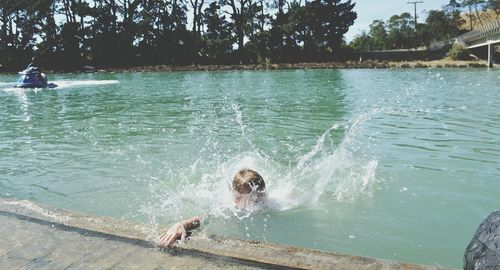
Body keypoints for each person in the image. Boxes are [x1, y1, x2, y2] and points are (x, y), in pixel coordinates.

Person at [158, 168, 267, 247]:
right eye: (251, 196)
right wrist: (182, 225)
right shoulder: (230, 207)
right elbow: (205, 217)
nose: (257, 199)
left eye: (259, 193)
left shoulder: (270, 203)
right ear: (236, 196)